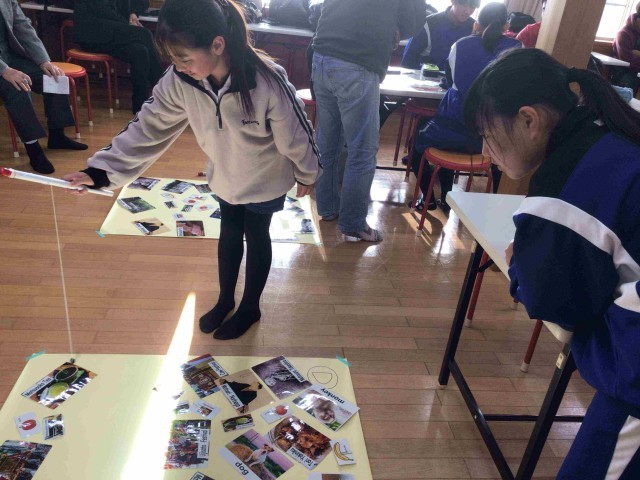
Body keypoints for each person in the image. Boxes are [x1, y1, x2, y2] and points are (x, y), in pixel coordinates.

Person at [63, 0, 321, 340]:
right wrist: (100, 172)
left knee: (257, 234)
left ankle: (250, 308)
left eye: (185, 58)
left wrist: (307, 172)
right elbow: (148, 125)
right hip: (225, 174)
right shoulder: (181, 79)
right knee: (230, 231)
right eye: (173, 60)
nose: (179, 67)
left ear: (217, 45)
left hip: (266, 178)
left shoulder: (266, 80)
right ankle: (225, 300)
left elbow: (297, 133)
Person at [463, 47, 640, 479]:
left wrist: (519, 265)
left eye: (488, 135)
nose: (485, 151)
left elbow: (552, 300)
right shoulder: (607, 133)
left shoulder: (566, 187)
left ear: (529, 120)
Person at [311, 0, 423, 242]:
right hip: (357, 63)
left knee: (328, 141)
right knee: (362, 150)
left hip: (322, 57)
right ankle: (353, 224)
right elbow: (413, 21)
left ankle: (328, 209)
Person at [410, 3, 521, 212]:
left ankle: (429, 199)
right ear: (506, 25)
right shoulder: (517, 49)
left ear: (477, 24)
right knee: (493, 159)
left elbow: (450, 81)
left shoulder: (460, 45)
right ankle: (493, 208)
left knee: (415, 145)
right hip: (490, 142)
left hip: (450, 132)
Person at [0, 0, 88, 174]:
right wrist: (4, 71)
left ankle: (57, 135)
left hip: (10, 57)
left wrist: (44, 61)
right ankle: (33, 149)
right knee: (18, 87)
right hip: (2, 67)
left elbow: (23, 27)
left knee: (54, 77)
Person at [73, 0, 164, 114]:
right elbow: (102, 10)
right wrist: (127, 24)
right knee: (144, 34)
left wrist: (133, 13)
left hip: (111, 32)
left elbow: (142, 3)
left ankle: (140, 108)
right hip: (91, 33)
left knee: (140, 51)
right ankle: (163, 93)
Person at [401, 0, 479, 71]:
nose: (467, 11)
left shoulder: (475, 28)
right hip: (425, 78)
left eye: (472, 7)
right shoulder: (428, 24)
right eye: (464, 5)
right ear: (453, 1)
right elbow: (407, 63)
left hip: (456, 80)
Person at [612, 1, 640, 93]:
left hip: (636, 70)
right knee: (631, 80)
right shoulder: (624, 34)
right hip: (624, 73)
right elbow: (627, 60)